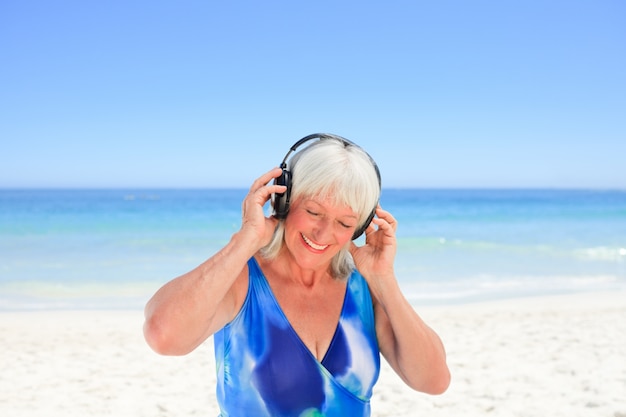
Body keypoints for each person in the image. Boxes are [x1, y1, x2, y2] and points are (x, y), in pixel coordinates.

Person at [143, 134, 450, 417]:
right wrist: (244, 241)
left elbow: (434, 380)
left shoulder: (365, 289)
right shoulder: (242, 280)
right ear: (284, 200)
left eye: (344, 223)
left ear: (360, 226)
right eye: (314, 212)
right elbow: (163, 336)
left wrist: (384, 280)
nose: (324, 233)